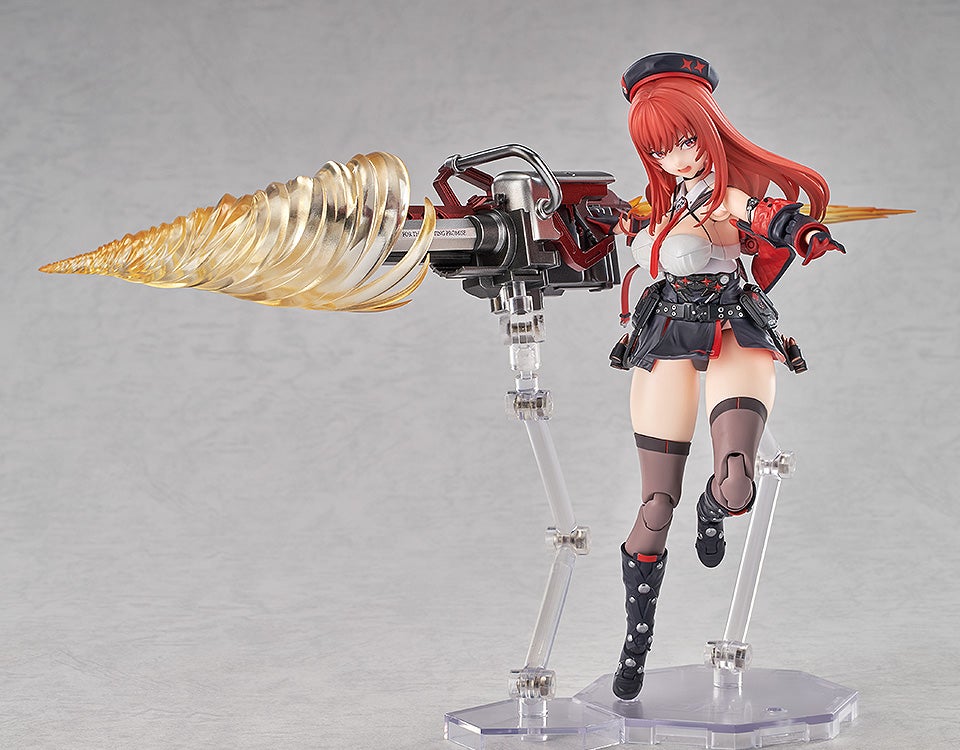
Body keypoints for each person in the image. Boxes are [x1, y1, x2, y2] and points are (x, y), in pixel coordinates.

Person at [610, 52, 844, 700]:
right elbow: (633, 235)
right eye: (660, 150)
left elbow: (764, 215)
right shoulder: (662, 203)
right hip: (666, 332)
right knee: (655, 506)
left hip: (732, 324)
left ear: (709, 130)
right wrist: (603, 222)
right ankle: (635, 644)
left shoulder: (724, 195)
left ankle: (714, 508)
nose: (677, 158)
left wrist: (803, 232)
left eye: (685, 140)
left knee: (738, 481)